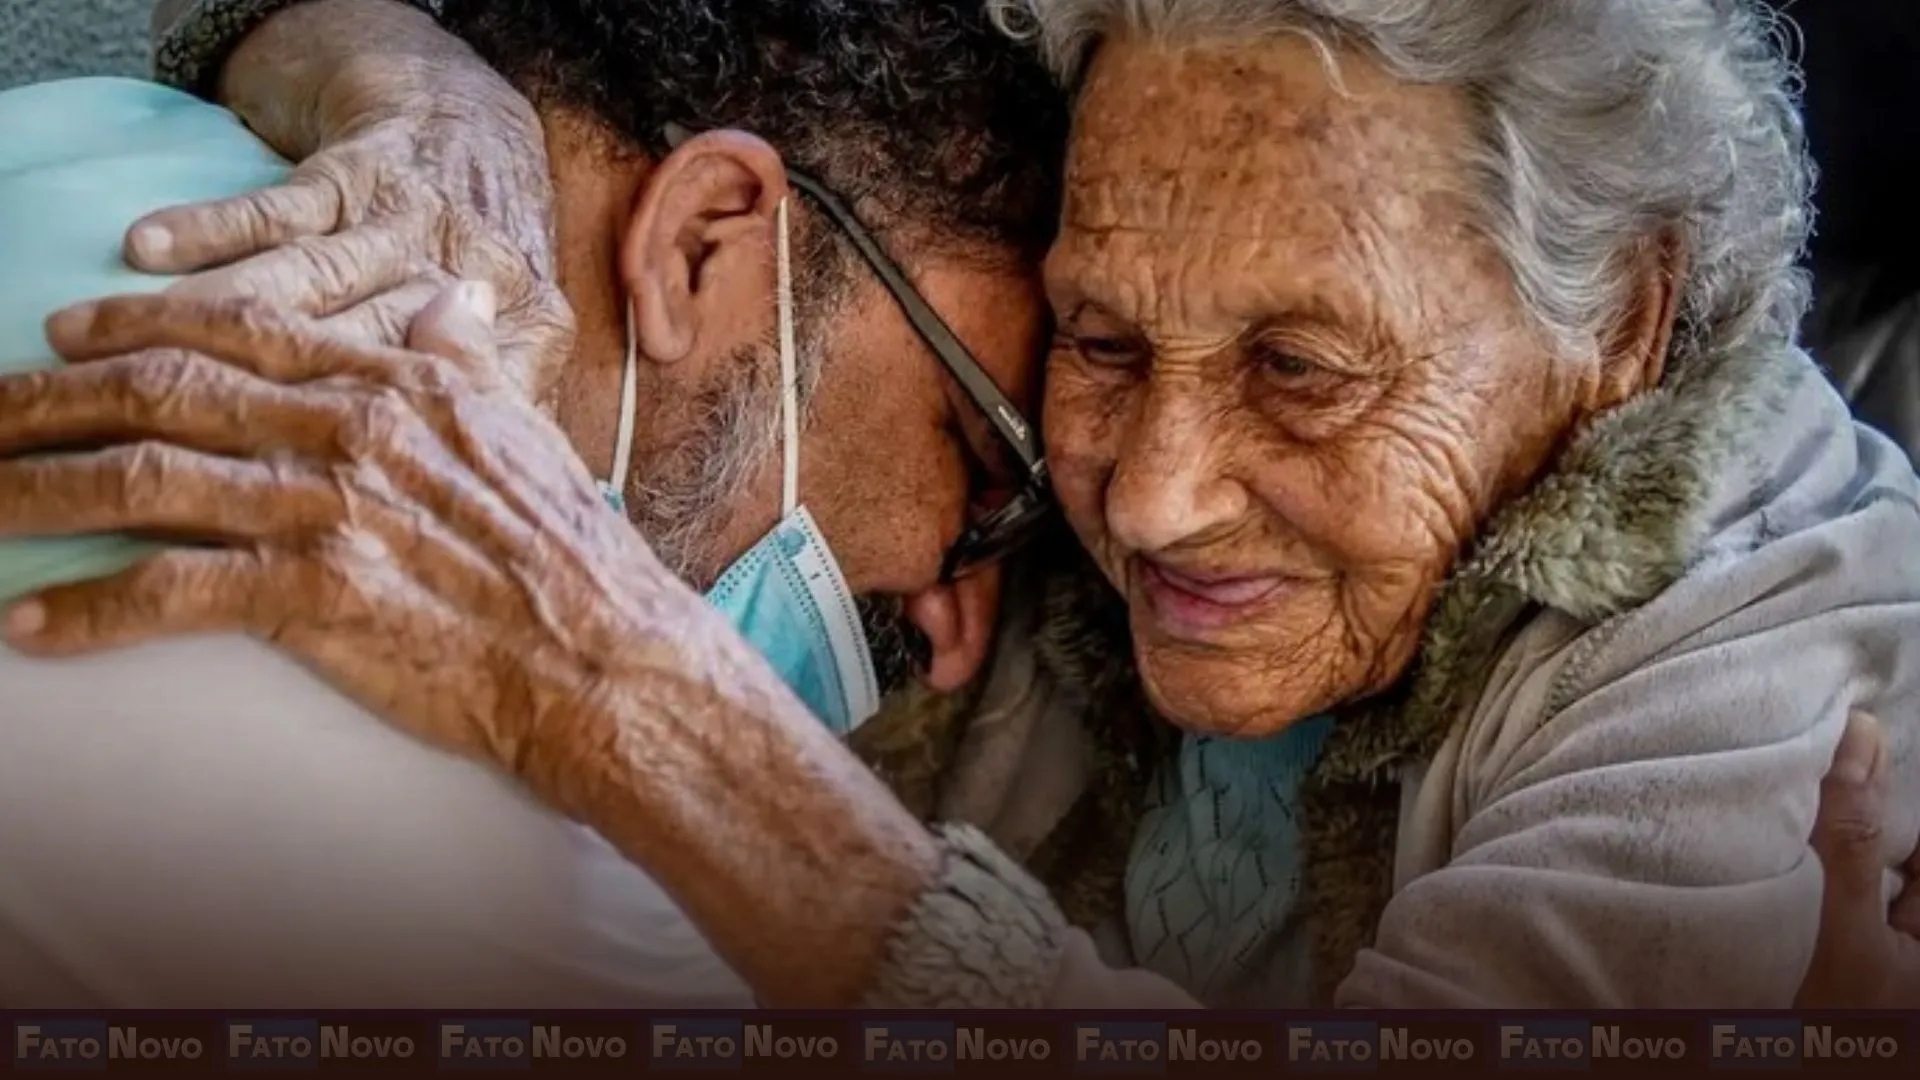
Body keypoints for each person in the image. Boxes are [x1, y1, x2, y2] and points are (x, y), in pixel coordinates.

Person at [4, 0, 1915, 1008]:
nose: (1145, 505)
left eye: (1302, 369)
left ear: (1624, 318)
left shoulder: (1784, 657)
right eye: (1092, 344)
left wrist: (621, 690)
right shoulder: (1032, 486)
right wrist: (400, 68)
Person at [0, 0, 1068, 1006]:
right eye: (980, 463)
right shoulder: (553, 903)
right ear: (703, 239)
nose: (955, 641)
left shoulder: (84, 132)